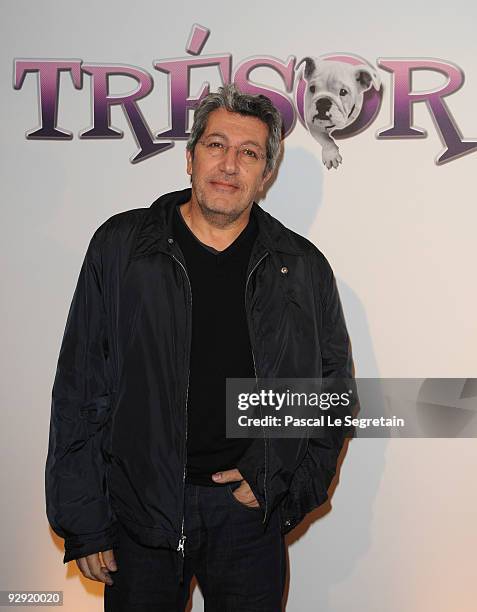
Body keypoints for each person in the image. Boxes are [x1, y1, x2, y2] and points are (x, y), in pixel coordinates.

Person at [45, 84, 356, 611]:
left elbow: (331, 396)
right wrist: (85, 520)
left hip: (246, 517)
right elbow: (80, 387)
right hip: (137, 515)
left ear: (266, 174)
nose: (229, 165)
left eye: (249, 153)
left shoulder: (300, 269)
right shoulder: (121, 248)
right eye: (216, 145)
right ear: (189, 158)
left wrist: (282, 486)